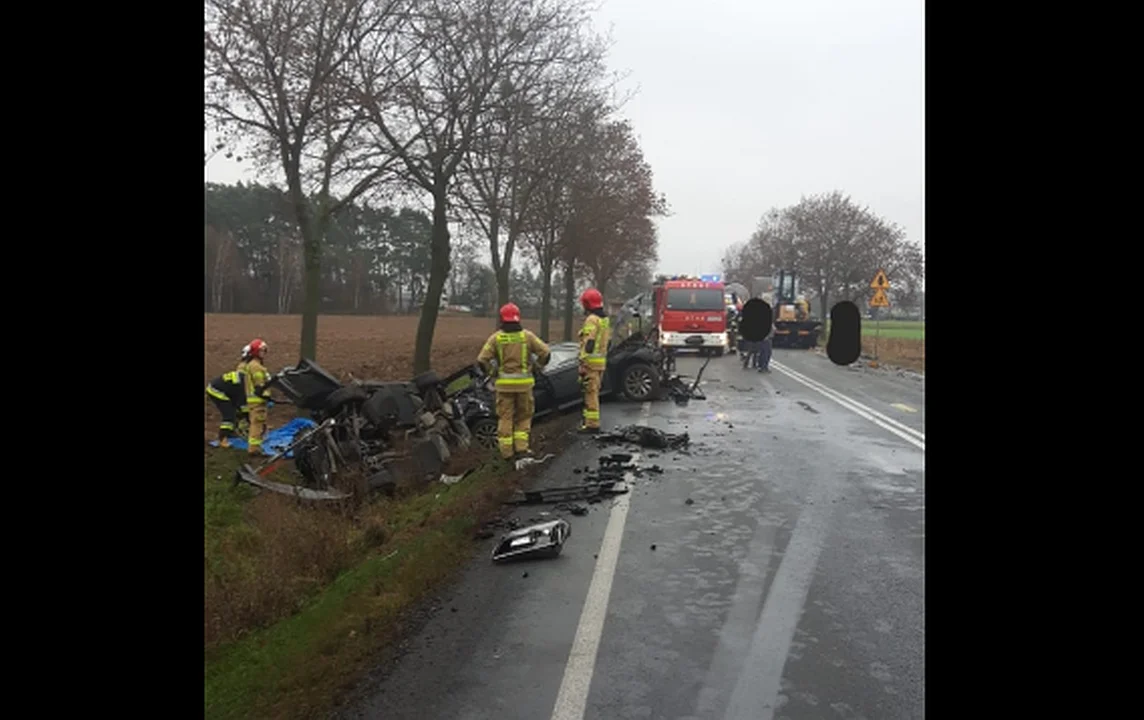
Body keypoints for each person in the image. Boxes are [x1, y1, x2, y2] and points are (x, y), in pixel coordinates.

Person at [477, 303, 551, 461]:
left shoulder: (496, 338)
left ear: (502, 319)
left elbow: (482, 360)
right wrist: (538, 366)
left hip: (504, 387)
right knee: (524, 416)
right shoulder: (527, 336)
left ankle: (507, 453)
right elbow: (545, 352)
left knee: (505, 417)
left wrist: (491, 373)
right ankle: (522, 449)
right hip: (525, 386)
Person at [577, 288, 611, 434]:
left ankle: (592, 424)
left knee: (590, 393)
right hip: (601, 362)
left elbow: (589, 343)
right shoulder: (604, 320)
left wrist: (583, 363)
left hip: (590, 363)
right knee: (594, 392)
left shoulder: (592, 319)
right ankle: (589, 421)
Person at [241, 339, 273, 456]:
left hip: (255, 401)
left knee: (257, 424)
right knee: (257, 425)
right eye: (262, 351)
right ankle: (254, 449)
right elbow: (260, 385)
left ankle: (255, 448)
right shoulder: (256, 367)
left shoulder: (252, 365)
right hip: (258, 401)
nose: (264, 353)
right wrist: (267, 397)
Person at [205, 369, 247, 448]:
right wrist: (247, 417)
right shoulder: (244, 387)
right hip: (216, 391)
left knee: (236, 411)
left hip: (226, 389)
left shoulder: (245, 378)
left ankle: (231, 432)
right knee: (229, 416)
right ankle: (222, 439)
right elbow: (242, 405)